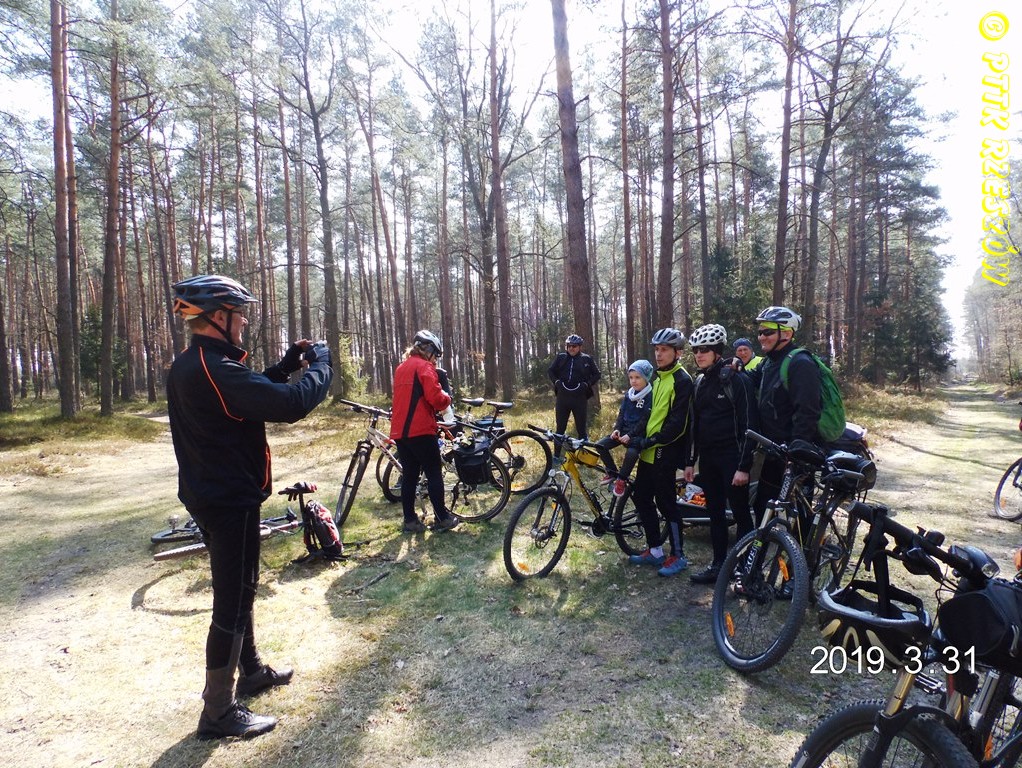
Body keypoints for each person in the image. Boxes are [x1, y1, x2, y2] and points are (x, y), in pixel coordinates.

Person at [167, 274, 333, 740]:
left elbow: (250, 395)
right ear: (218, 317)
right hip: (228, 499)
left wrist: (285, 365)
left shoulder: (196, 364)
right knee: (233, 600)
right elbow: (290, 404)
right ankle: (218, 711)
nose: (243, 323)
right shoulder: (215, 368)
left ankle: (253, 671)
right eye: (239, 315)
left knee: (243, 588)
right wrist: (321, 367)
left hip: (214, 493)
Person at [683, 324, 758, 585]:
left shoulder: (736, 380)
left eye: (704, 350)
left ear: (717, 351)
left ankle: (747, 569)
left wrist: (744, 466)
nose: (699, 355)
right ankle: (718, 565)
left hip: (732, 458)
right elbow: (695, 425)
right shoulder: (700, 382)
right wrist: (690, 461)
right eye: (695, 350)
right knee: (715, 513)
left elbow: (749, 424)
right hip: (709, 459)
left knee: (740, 513)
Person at [626, 328, 694, 577]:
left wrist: (652, 440)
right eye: (656, 349)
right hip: (648, 451)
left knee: (666, 503)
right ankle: (655, 550)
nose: (659, 354)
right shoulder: (658, 378)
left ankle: (678, 555)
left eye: (664, 350)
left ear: (678, 353)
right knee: (641, 497)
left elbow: (678, 424)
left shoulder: (682, 380)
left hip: (665, 451)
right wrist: (634, 434)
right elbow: (650, 413)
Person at [746, 306, 823, 525]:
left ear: (787, 334)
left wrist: (797, 452)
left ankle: (803, 548)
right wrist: (732, 367)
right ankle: (766, 546)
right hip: (774, 452)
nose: (761, 336)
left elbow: (808, 411)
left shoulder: (801, 363)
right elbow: (749, 379)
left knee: (800, 516)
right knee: (763, 506)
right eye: (760, 332)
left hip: (796, 454)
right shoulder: (769, 362)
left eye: (768, 331)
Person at [390, 330, 460, 534]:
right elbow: (436, 398)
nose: (436, 359)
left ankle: (410, 521)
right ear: (428, 350)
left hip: (401, 431)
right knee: (434, 472)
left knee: (410, 475)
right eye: (435, 355)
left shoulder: (401, 368)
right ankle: (442, 518)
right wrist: (447, 399)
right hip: (420, 429)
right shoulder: (424, 367)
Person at [593, 359, 653, 497]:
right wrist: (617, 429)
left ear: (646, 378)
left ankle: (622, 479)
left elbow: (644, 420)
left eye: (637, 377)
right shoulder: (629, 394)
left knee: (632, 453)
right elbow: (621, 413)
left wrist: (630, 435)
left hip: (637, 435)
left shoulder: (650, 395)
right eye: (631, 377)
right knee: (600, 445)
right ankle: (612, 472)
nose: (633, 381)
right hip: (623, 431)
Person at [547, 333, 601, 439]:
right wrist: (556, 382)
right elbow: (551, 371)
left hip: (579, 398)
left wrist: (586, 384)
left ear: (579, 347)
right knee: (560, 429)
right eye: (569, 346)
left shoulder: (587, 359)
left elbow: (597, 374)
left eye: (574, 346)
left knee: (581, 430)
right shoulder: (561, 357)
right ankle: (557, 450)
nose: (571, 348)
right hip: (563, 397)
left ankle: (582, 449)